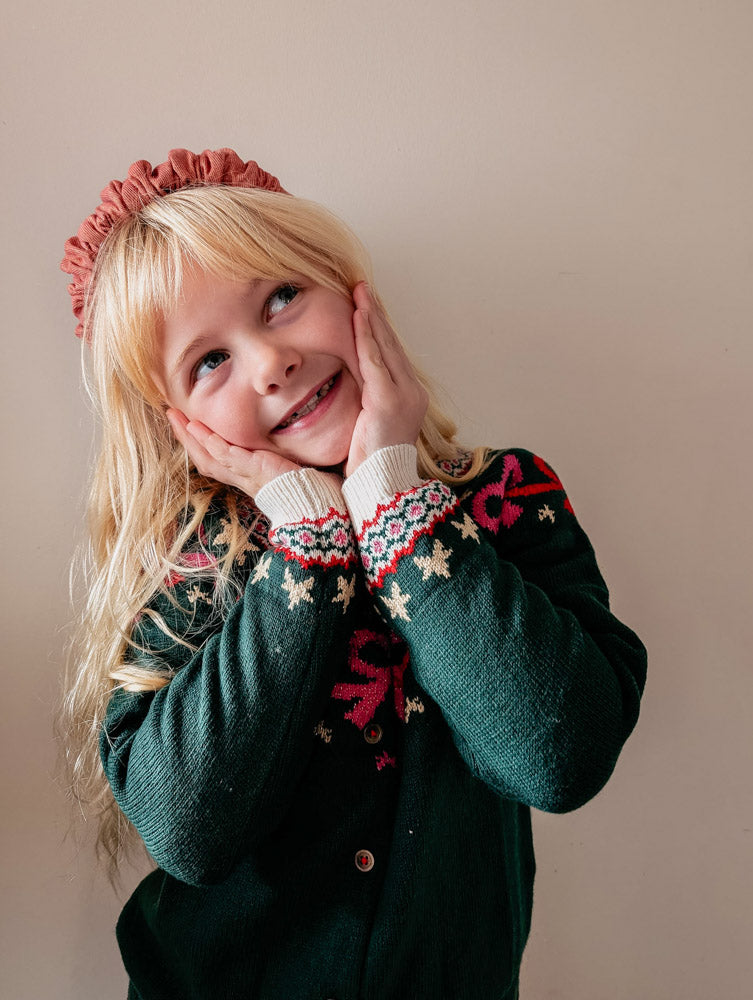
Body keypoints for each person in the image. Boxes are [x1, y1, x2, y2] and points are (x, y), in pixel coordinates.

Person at [59, 148, 647, 1000]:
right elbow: (188, 829)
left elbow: (560, 754)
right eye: (209, 361)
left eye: (282, 298)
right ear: (179, 425)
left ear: (348, 288)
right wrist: (306, 536)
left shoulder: (508, 499)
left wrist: (391, 502)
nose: (270, 361)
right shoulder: (192, 559)